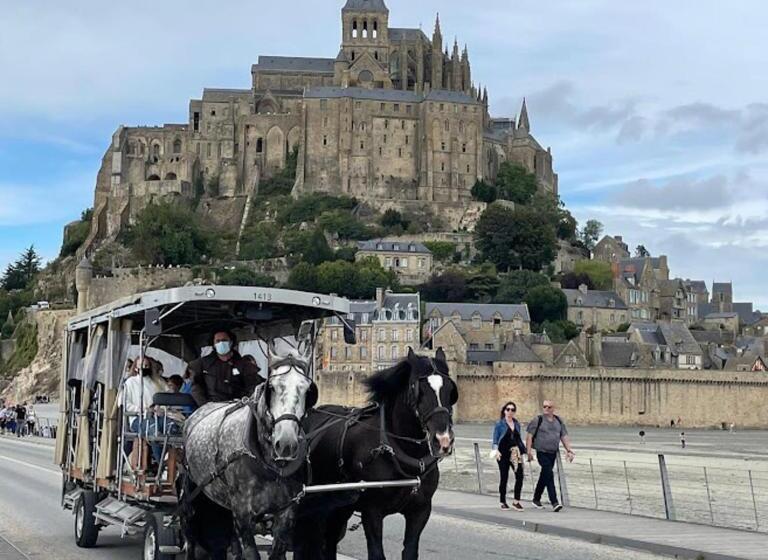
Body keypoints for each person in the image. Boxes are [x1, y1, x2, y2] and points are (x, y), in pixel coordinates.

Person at [189, 330, 262, 406]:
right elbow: (196, 387)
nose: (221, 343)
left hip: (239, 407)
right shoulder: (202, 364)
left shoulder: (244, 364)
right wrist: (205, 405)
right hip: (212, 408)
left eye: (224, 340)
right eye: (218, 341)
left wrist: (246, 402)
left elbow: (253, 385)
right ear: (213, 344)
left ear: (231, 342)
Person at [525, 400, 575, 512]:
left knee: (545, 475)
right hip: (541, 451)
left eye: (549, 407)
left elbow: (564, 435)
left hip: (553, 453)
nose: (546, 409)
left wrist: (569, 450)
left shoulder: (558, 421)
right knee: (549, 473)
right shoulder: (538, 420)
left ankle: (536, 499)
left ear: (553, 408)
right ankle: (554, 502)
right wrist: (528, 452)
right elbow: (529, 436)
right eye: (544, 407)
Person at [491, 401, 527, 511]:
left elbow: (518, 438)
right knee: (504, 477)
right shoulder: (499, 424)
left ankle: (516, 501)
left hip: (514, 453)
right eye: (508, 409)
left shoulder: (516, 424)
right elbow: (495, 440)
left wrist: (524, 451)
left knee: (520, 475)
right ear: (504, 410)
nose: (510, 412)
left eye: (512, 410)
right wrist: (496, 450)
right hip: (502, 453)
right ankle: (503, 501)